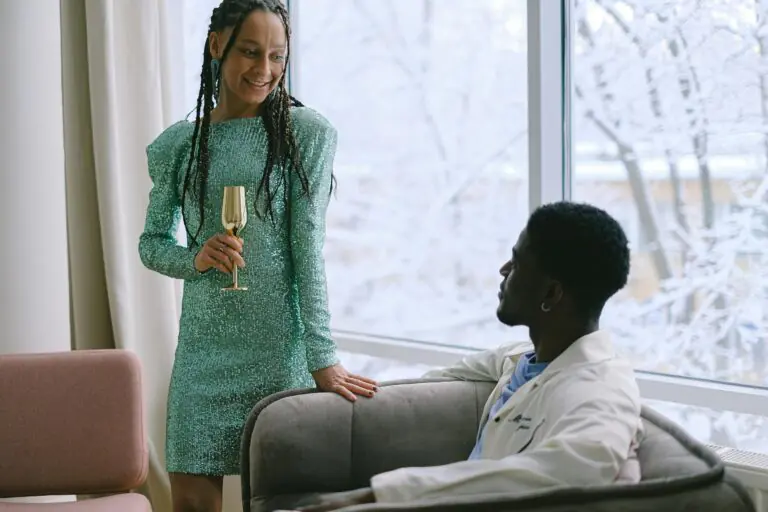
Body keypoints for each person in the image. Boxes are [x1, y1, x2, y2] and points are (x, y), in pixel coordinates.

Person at [138, 1, 377, 510]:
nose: (264, 70)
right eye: (250, 52)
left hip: (278, 358)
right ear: (216, 45)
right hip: (201, 362)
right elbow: (151, 243)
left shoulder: (305, 134)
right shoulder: (178, 145)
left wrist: (322, 358)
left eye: (276, 56)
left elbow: (307, 252)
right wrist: (195, 259)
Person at [293, 202, 643, 511]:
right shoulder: (526, 358)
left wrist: (374, 495)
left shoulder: (602, 388)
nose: (503, 271)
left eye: (518, 263)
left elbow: (578, 466)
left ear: (551, 293)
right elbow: (434, 383)